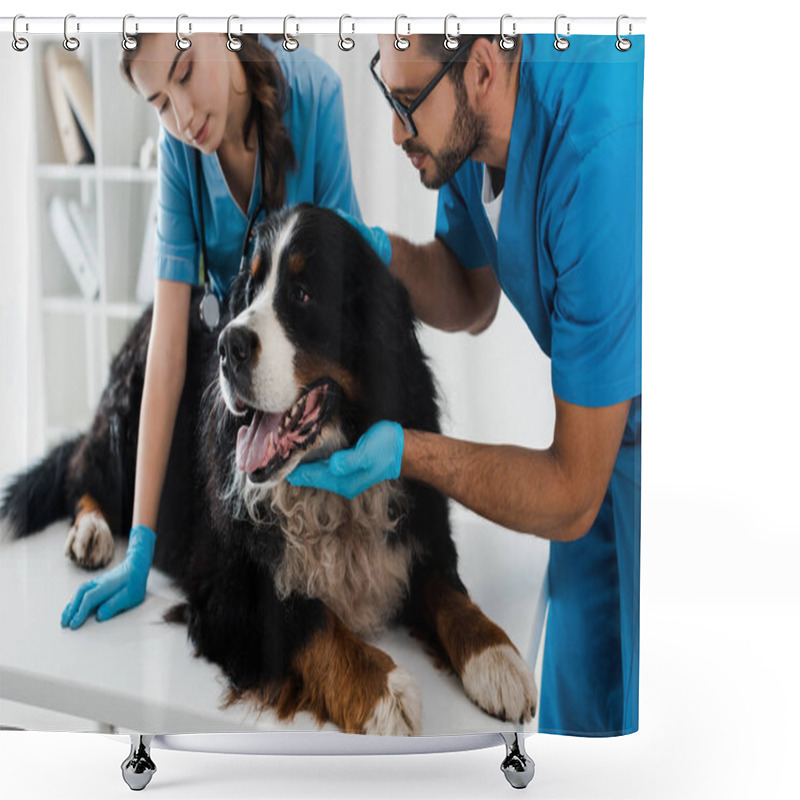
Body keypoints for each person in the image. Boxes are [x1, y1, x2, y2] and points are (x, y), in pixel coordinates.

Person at [287, 33, 643, 737]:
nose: (394, 131)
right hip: (600, 435)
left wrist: (406, 455)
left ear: (480, 67)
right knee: (576, 702)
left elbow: (572, 494)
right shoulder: (464, 135)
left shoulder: (598, 154)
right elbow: (468, 291)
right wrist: (379, 253)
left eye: (406, 104)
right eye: (386, 95)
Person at [61, 33, 361, 630]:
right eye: (158, 103)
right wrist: (141, 545)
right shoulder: (179, 150)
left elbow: (348, 299)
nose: (184, 115)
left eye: (184, 70)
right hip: (238, 370)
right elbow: (169, 347)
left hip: (301, 372)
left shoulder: (318, 94)